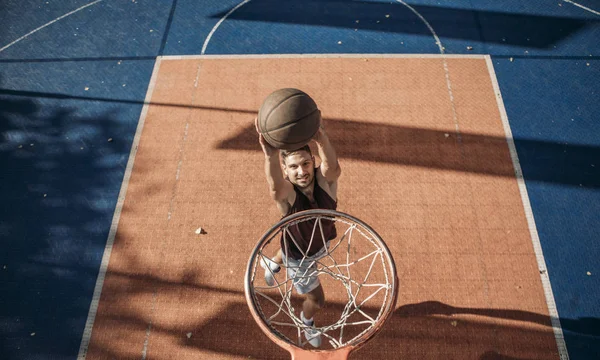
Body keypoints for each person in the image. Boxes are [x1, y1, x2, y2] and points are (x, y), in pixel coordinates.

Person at [256, 117, 341, 348]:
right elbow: (275, 187)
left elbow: (332, 167)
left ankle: (273, 263)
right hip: (300, 259)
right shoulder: (288, 195)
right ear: (285, 169)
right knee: (317, 299)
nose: (301, 171)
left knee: (290, 241)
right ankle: (307, 321)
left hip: (319, 242)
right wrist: (270, 155)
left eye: (305, 163)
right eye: (293, 167)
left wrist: (321, 137)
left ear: (312, 160)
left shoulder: (325, 182)